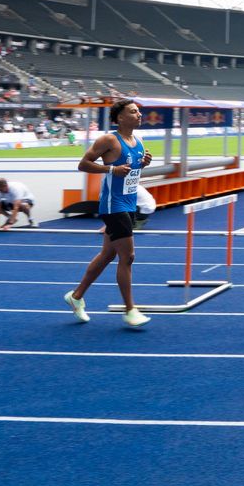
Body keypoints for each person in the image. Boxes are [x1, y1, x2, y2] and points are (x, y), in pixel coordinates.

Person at [64, 98, 154, 329]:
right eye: (133, 112)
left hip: (129, 202)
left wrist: (143, 164)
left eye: (138, 111)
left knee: (107, 255)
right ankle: (130, 310)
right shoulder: (109, 140)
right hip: (114, 205)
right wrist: (111, 169)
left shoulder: (138, 141)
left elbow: (131, 171)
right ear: (120, 117)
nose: (139, 115)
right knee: (128, 257)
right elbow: (83, 164)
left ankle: (76, 296)